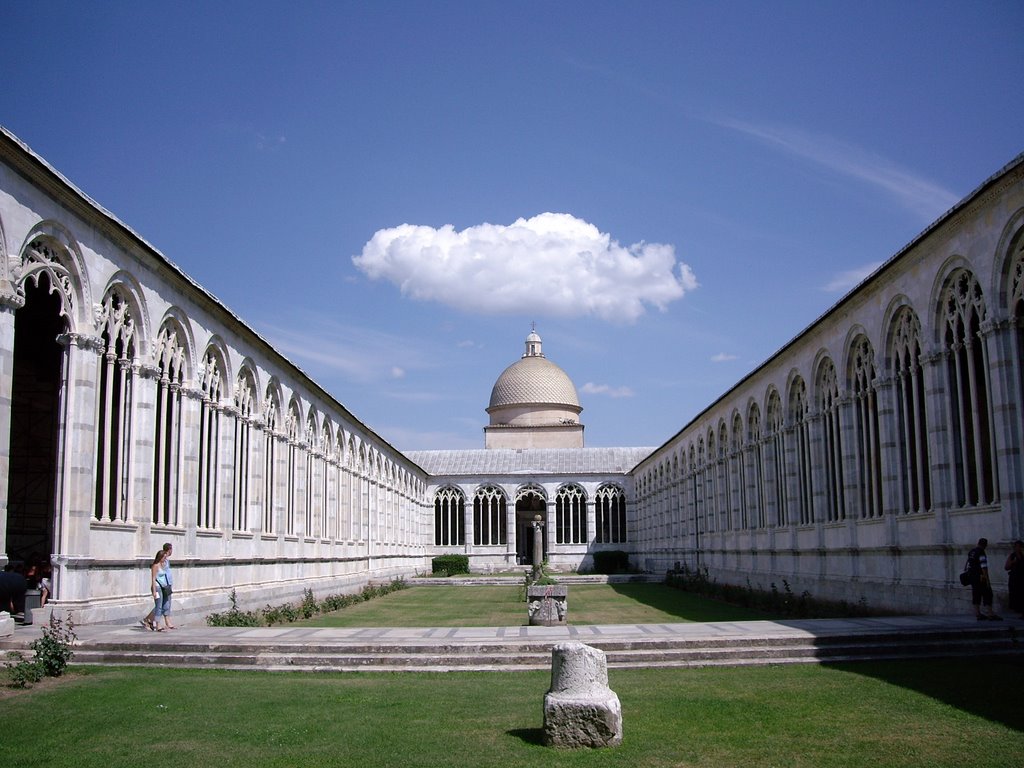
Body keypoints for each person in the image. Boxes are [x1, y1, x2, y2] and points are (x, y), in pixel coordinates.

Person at [965, 538, 1002, 621]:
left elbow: (968, 564)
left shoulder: (972, 552)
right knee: (988, 593)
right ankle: (990, 613)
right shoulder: (981, 552)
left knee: (976, 594)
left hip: (972, 576)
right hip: (981, 577)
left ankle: (977, 613)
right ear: (985, 545)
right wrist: (986, 578)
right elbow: (983, 566)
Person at [142, 549, 170, 631]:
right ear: (160, 557)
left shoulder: (163, 565)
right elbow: (153, 579)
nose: (165, 559)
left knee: (165, 605)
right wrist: (154, 591)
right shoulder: (155, 566)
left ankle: (150, 620)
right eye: (164, 557)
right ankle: (157, 624)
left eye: (165, 557)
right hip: (157, 587)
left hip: (164, 587)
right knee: (159, 606)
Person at [1004, 539, 1024, 619]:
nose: (1017, 548)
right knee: (1016, 594)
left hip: (1022, 578)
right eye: (1016, 547)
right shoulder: (1012, 556)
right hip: (1014, 578)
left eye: (1019, 547)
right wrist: (1013, 562)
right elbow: (1006, 567)